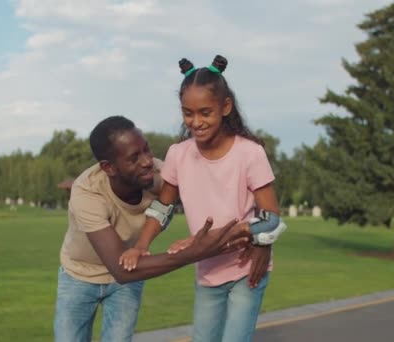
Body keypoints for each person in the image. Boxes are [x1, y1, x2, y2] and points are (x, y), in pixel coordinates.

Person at [119, 55, 287, 342]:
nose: (195, 122)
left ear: (225, 107)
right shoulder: (178, 154)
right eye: (188, 113)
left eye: (205, 113)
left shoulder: (250, 153)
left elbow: (272, 220)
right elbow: (163, 206)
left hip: (246, 269)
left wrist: (249, 238)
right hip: (208, 270)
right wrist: (141, 246)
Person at [53, 115, 250, 342]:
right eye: (134, 157)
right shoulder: (87, 193)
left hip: (132, 268)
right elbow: (119, 269)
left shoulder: (157, 173)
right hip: (80, 275)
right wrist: (194, 253)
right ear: (109, 167)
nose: (147, 161)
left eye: (146, 150)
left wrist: (254, 234)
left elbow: (211, 195)